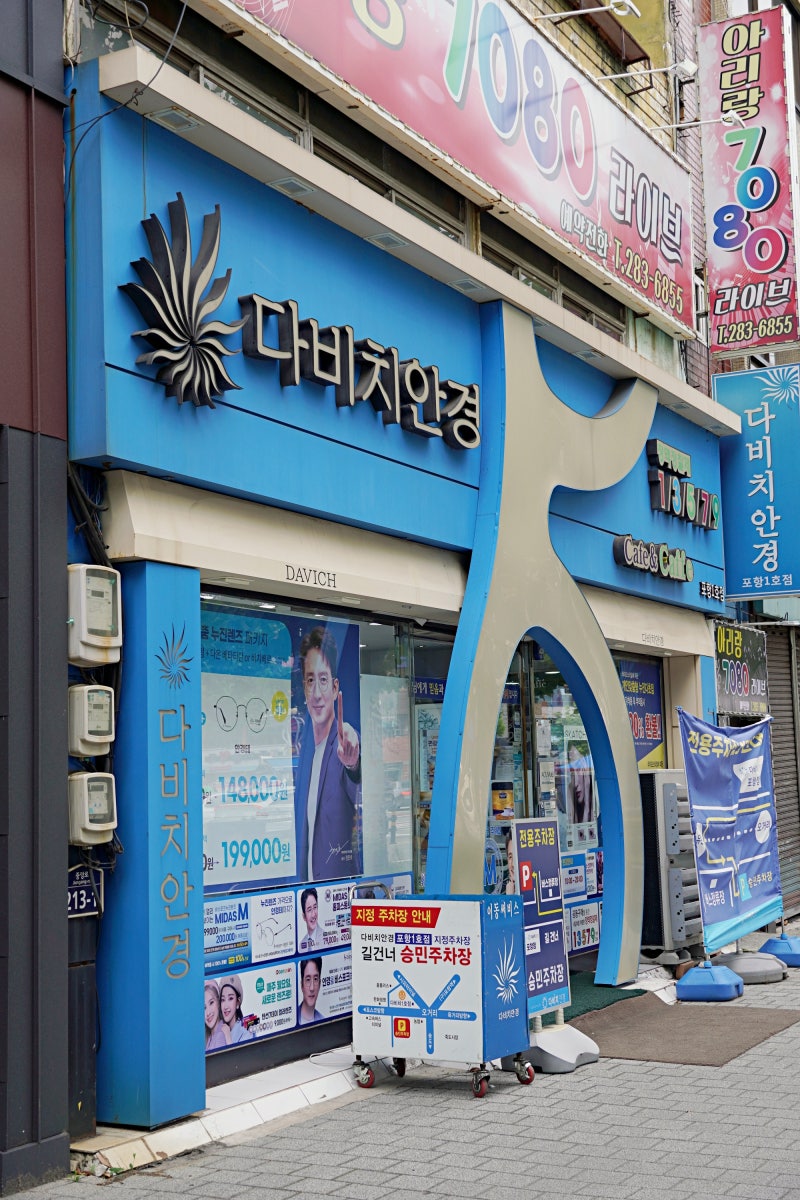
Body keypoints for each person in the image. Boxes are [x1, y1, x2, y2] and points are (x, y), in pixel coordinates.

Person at [296, 626, 362, 881]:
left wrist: (353, 764)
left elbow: (357, 783)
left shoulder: (344, 742)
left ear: (335, 688)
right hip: (310, 893)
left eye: (323, 680)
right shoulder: (306, 754)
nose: (316, 694)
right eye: (310, 680)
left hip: (340, 892)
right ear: (304, 688)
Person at [219, 975, 254, 1044]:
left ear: (238, 1002)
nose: (226, 1006)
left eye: (230, 998)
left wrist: (228, 1036)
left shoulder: (247, 1030)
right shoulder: (220, 1029)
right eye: (223, 1000)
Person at [567, 742, 594, 825]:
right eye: (572, 772)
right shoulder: (570, 790)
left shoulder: (596, 791)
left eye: (578, 770)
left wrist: (587, 807)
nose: (576, 784)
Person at [204, 979, 230, 1051]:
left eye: (211, 1003)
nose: (208, 1013)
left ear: (218, 1002)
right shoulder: (210, 1037)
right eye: (204, 1008)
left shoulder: (220, 1035)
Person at [297, 957, 323, 1026]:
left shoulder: (323, 1019)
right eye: (308, 980)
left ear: (320, 984)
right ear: (301, 985)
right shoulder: (292, 1018)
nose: (312, 988)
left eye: (315, 979)